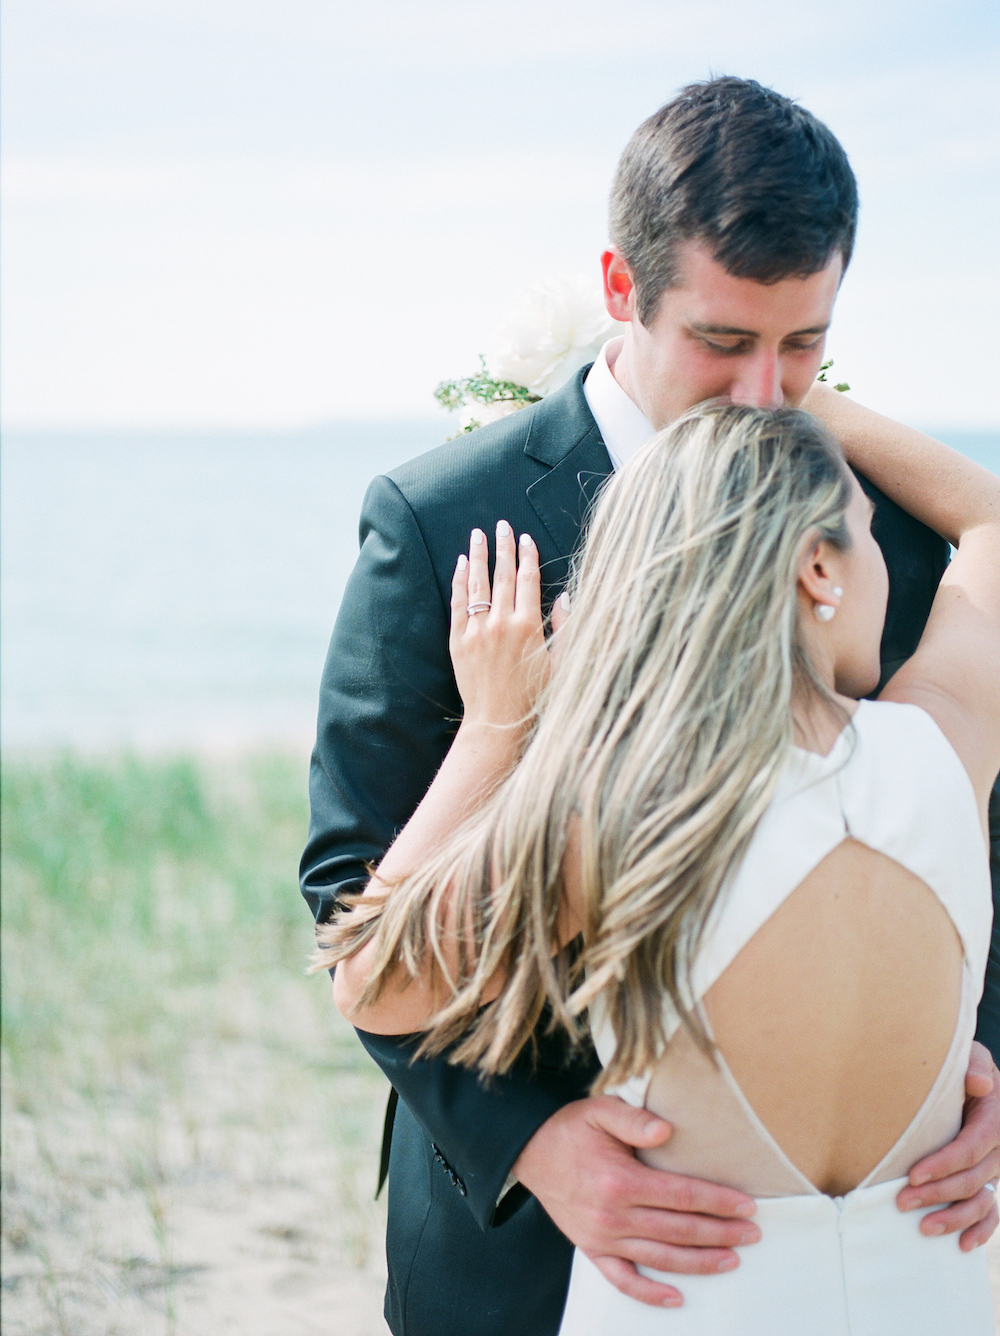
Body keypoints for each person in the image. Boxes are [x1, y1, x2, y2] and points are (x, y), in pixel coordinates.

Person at [300, 78, 1000, 1335]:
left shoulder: (869, 521)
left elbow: (970, 836)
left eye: (806, 348)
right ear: (621, 292)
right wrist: (533, 1141)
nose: (766, 395)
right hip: (524, 1250)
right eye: (725, 344)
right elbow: (352, 874)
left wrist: (968, 1055)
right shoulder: (445, 518)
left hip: (879, 1212)